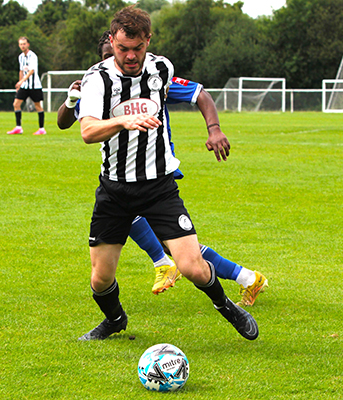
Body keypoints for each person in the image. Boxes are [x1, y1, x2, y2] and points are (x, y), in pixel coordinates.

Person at [76, 6, 259, 341]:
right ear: (112, 42)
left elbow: (198, 94)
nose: (130, 56)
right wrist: (123, 121)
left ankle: (227, 306)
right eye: (122, 49)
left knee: (192, 267)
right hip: (115, 190)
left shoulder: (161, 68)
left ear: (148, 40)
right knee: (100, 278)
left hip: (159, 187)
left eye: (137, 48)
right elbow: (87, 131)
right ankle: (115, 320)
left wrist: (214, 128)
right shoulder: (96, 79)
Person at [7, 36, 46, 136]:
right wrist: (20, 83)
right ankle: (18, 127)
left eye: (24, 44)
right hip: (24, 86)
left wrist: (22, 81)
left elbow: (31, 71)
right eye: (21, 44)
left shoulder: (33, 56)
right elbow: (21, 71)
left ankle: (42, 129)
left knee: (38, 106)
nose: (22, 46)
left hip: (34, 86)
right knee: (16, 104)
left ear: (28, 44)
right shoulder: (20, 57)